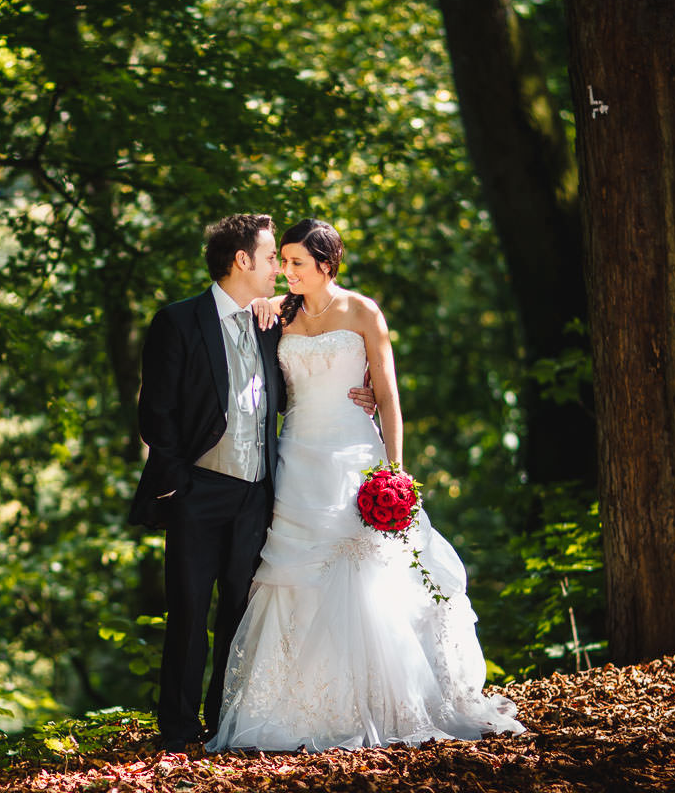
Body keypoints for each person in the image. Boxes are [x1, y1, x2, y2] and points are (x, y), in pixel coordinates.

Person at [206, 219, 524, 752]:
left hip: (355, 455)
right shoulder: (278, 313)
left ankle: (385, 704)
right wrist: (261, 305)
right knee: (294, 575)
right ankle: (299, 707)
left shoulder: (362, 311)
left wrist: (394, 470)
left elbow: (389, 394)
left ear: (326, 264)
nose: (287, 271)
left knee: (371, 570)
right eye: (284, 261)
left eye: (297, 263)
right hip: (297, 459)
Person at [129, 214, 375, 753]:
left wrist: (366, 392)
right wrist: (178, 484)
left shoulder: (271, 321)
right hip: (197, 490)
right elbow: (156, 413)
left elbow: (299, 383)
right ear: (241, 260)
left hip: (259, 492)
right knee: (189, 610)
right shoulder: (178, 321)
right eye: (269, 258)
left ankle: (224, 720)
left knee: (242, 613)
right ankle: (178, 730)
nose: (277, 271)